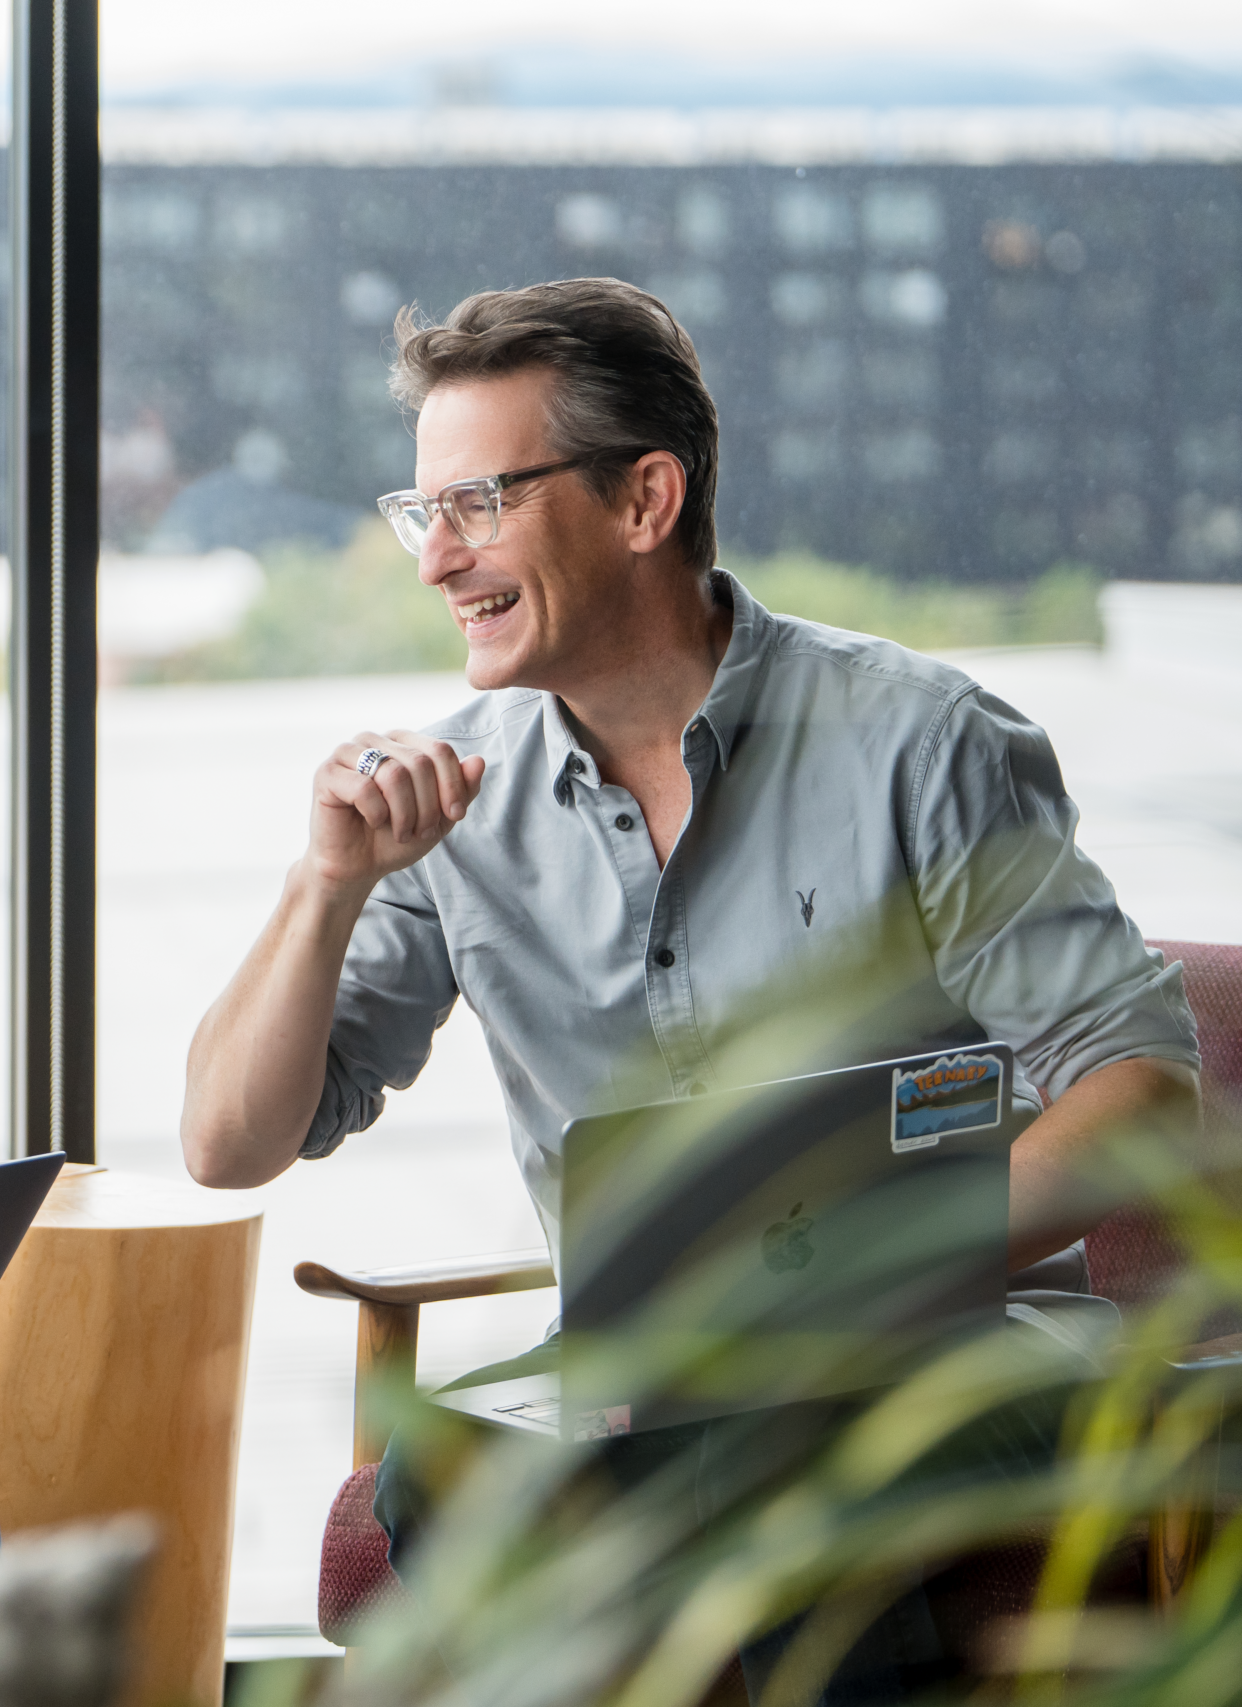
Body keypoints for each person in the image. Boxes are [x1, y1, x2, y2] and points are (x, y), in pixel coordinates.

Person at [178, 278, 1202, 1698]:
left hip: (957, 1346)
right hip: (638, 1371)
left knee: (740, 1465)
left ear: (644, 497)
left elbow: (1140, 1080)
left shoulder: (923, 743)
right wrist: (327, 881)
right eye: (424, 512)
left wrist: (870, 1267)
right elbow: (230, 1142)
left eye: (479, 502)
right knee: (451, 1461)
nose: (435, 560)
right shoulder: (450, 800)